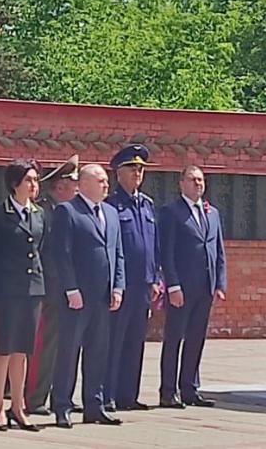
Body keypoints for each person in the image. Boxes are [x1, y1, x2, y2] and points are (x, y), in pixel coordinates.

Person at [50, 163, 124, 429]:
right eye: (101, 180)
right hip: (77, 296)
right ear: (84, 183)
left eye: (106, 181)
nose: (106, 185)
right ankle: (61, 405)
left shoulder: (111, 213)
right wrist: (71, 289)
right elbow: (62, 253)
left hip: (103, 296)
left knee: (98, 352)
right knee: (69, 352)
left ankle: (94, 404)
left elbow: (117, 253)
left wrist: (118, 287)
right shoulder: (67, 211)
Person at [0, 159, 46, 432]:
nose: (34, 185)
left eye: (35, 180)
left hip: (32, 288)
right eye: (29, 180)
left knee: (23, 349)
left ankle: (18, 406)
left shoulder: (39, 213)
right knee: (5, 348)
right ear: (15, 183)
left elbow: (42, 248)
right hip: (8, 290)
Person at [158, 165, 227, 408]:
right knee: (174, 338)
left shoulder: (212, 213)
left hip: (205, 288)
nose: (198, 183)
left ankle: (189, 388)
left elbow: (218, 250)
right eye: (192, 179)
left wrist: (220, 282)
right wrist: (172, 284)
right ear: (182, 184)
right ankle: (168, 391)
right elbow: (166, 252)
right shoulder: (171, 212)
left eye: (201, 180)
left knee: (196, 339)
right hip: (182, 288)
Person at [105, 144, 159, 411]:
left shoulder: (147, 204)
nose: (138, 173)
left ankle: (129, 394)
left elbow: (153, 245)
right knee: (115, 340)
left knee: (136, 341)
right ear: (119, 173)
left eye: (140, 169)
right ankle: (110, 394)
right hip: (122, 286)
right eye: (132, 168)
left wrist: (156, 278)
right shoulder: (112, 205)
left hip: (144, 285)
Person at [26, 155, 80, 415]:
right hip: (48, 289)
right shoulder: (44, 211)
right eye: (73, 182)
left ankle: (60, 394)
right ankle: (35, 397)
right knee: (44, 346)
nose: (77, 187)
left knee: (64, 346)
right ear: (59, 186)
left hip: (67, 289)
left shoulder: (67, 211)